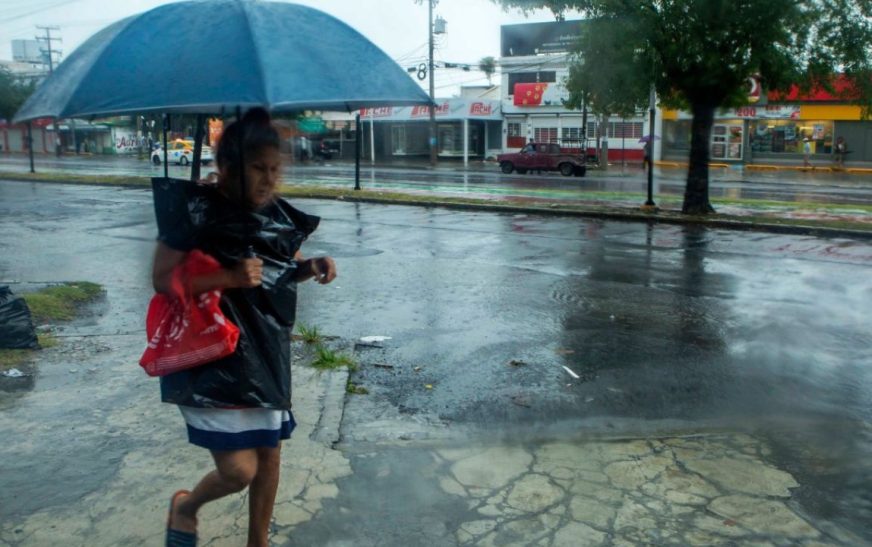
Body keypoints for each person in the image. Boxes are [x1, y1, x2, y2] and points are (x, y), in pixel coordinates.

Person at [154, 107, 337, 547]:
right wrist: (226, 277)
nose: (269, 179)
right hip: (213, 357)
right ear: (226, 168)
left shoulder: (276, 215)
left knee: (270, 455)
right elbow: (162, 281)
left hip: (266, 350)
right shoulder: (195, 210)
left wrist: (310, 266)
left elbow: (277, 269)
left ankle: (259, 542)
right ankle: (187, 507)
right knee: (239, 470)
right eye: (258, 168)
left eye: (275, 169)